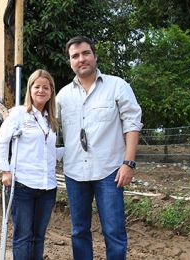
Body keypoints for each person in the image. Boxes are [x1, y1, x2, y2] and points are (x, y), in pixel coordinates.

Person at [56, 36, 143, 260]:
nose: (81, 59)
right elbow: (45, 127)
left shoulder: (117, 86)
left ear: (94, 55)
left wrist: (128, 163)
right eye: (75, 56)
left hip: (110, 171)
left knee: (114, 231)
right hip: (74, 172)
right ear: (70, 62)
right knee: (79, 231)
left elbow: (132, 123)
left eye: (85, 53)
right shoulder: (63, 96)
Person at [0, 69, 61, 260]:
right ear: (30, 90)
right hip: (22, 185)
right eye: (37, 86)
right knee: (23, 236)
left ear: (51, 92)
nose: (41, 90)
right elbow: (1, 143)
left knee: (38, 237)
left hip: (47, 187)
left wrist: (73, 151)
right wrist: (5, 171)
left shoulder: (50, 120)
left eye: (46, 87)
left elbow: (49, 153)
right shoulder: (18, 114)